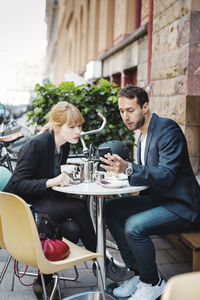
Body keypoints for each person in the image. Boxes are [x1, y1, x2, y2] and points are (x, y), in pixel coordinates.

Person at [100, 85, 200, 300]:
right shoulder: (141, 136)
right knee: (110, 209)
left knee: (134, 226)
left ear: (145, 107)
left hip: (182, 205)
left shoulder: (167, 129)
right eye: (121, 111)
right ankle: (139, 274)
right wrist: (120, 175)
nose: (125, 116)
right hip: (158, 199)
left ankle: (152, 282)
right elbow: (147, 174)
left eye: (131, 110)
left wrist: (128, 168)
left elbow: (167, 175)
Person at [4, 101, 96, 298]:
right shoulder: (36, 145)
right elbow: (18, 184)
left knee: (73, 229)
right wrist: (51, 181)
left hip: (43, 205)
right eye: (71, 127)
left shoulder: (63, 146)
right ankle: (101, 262)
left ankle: (43, 280)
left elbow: (54, 185)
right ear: (56, 126)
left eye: (79, 125)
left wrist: (65, 183)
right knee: (78, 206)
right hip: (22, 211)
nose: (77, 131)